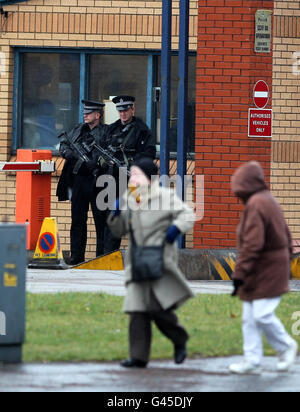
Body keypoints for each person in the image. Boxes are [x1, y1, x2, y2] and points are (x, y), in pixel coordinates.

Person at [107, 158, 195, 368]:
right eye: (131, 174)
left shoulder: (165, 197)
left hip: (160, 261)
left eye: (136, 174)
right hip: (138, 263)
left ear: (148, 177)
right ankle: (138, 357)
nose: (132, 178)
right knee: (137, 310)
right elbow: (119, 231)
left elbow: (187, 215)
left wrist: (174, 231)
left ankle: (179, 339)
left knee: (158, 310)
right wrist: (116, 213)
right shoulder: (130, 199)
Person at [229, 161, 298, 375]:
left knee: (261, 314)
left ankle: (286, 346)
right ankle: (252, 360)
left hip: (266, 269)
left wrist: (239, 273)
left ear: (245, 185)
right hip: (267, 267)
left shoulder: (257, 204)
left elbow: (252, 245)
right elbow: (286, 235)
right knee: (249, 316)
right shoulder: (268, 200)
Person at [56, 100, 109, 265]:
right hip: (79, 181)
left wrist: (97, 162)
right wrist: (71, 154)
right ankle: (76, 256)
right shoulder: (78, 129)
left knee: (101, 221)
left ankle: (101, 256)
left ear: (97, 115)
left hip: (98, 181)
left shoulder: (106, 132)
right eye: (84, 112)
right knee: (77, 219)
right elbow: (63, 145)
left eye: (89, 112)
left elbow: (111, 151)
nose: (85, 114)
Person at [102, 95, 157, 254]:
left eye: (126, 110)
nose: (123, 114)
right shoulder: (111, 129)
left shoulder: (142, 129)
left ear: (132, 109)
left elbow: (149, 153)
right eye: (120, 111)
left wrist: (133, 162)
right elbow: (102, 151)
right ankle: (108, 256)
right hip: (113, 181)